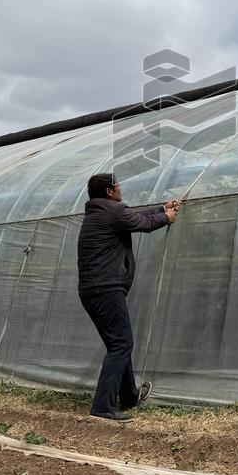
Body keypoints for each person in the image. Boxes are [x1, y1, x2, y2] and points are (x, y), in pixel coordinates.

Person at [78, 173, 181, 422]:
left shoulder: (98, 212)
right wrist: (166, 217)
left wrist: (159, 208)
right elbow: (141, 224)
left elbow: (132, 216)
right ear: (110, 192)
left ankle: (128, 396)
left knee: (118, 344)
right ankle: (102, 406)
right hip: (106, 288)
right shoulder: (112, 212)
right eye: (118, 186)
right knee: (121, 344)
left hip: (92, 290)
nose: (120, 188)